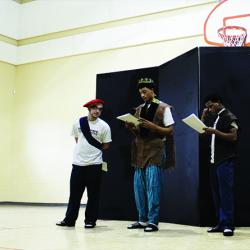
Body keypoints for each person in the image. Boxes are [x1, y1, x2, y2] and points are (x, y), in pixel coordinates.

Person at [126, 78, 175, 232]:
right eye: (140, 92)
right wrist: (130, 127)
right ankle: (142, 219)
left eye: (145, 91)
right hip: (140, 152)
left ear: (153, 91)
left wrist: (154, 126)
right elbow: (138, 132)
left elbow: (170, 130)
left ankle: (153, 221)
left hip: (155, 151)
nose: (142, 95)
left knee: (153, 188)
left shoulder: (163, 107)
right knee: (138, 188)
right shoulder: (139, 108)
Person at [56, 99, 112, 229]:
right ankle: (69, 220)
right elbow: (77, 139)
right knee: (74, 195)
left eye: (100, 109)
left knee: (93, 195)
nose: (97, 111)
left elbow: (106, 145)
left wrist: (92, 153)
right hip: (78, 164)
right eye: (94, 108)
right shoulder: (78, 123)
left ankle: (90, 220)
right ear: (88, 108)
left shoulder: (104, 126)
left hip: (95, 165)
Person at [201, 94, 239, 237]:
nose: (209, 109)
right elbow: (202, 134)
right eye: (207, 107)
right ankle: (221, 223)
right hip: (214, 161)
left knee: (226, 194)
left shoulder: (229, 116)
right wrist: (203, 118)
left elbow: (233, 137)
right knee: (216, 194)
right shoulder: (217, 117)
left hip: (225, 160)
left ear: (219, 102)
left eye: (211, 106)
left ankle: (229, 225)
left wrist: (215, 132)